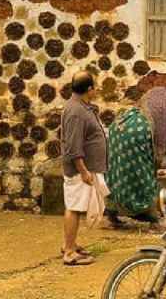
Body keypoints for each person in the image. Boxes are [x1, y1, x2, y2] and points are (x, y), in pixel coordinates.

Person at [105, 79, 166, 226]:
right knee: (145, 176)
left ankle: (112, 213)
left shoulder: (156, 91)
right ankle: (151, 218)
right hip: (138, 135)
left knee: (118, 172)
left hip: (120, 127)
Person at [61, 71, 109, 266]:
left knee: (77, 206)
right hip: (79, 170)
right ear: (89, 89)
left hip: (86, 167)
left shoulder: (80, 107)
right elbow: (73, 146)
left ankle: (70, 244)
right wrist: (83, 171)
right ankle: (69, 251)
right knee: (74, 208)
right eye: (94, 87)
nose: (96, 90)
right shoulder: (76, 111)